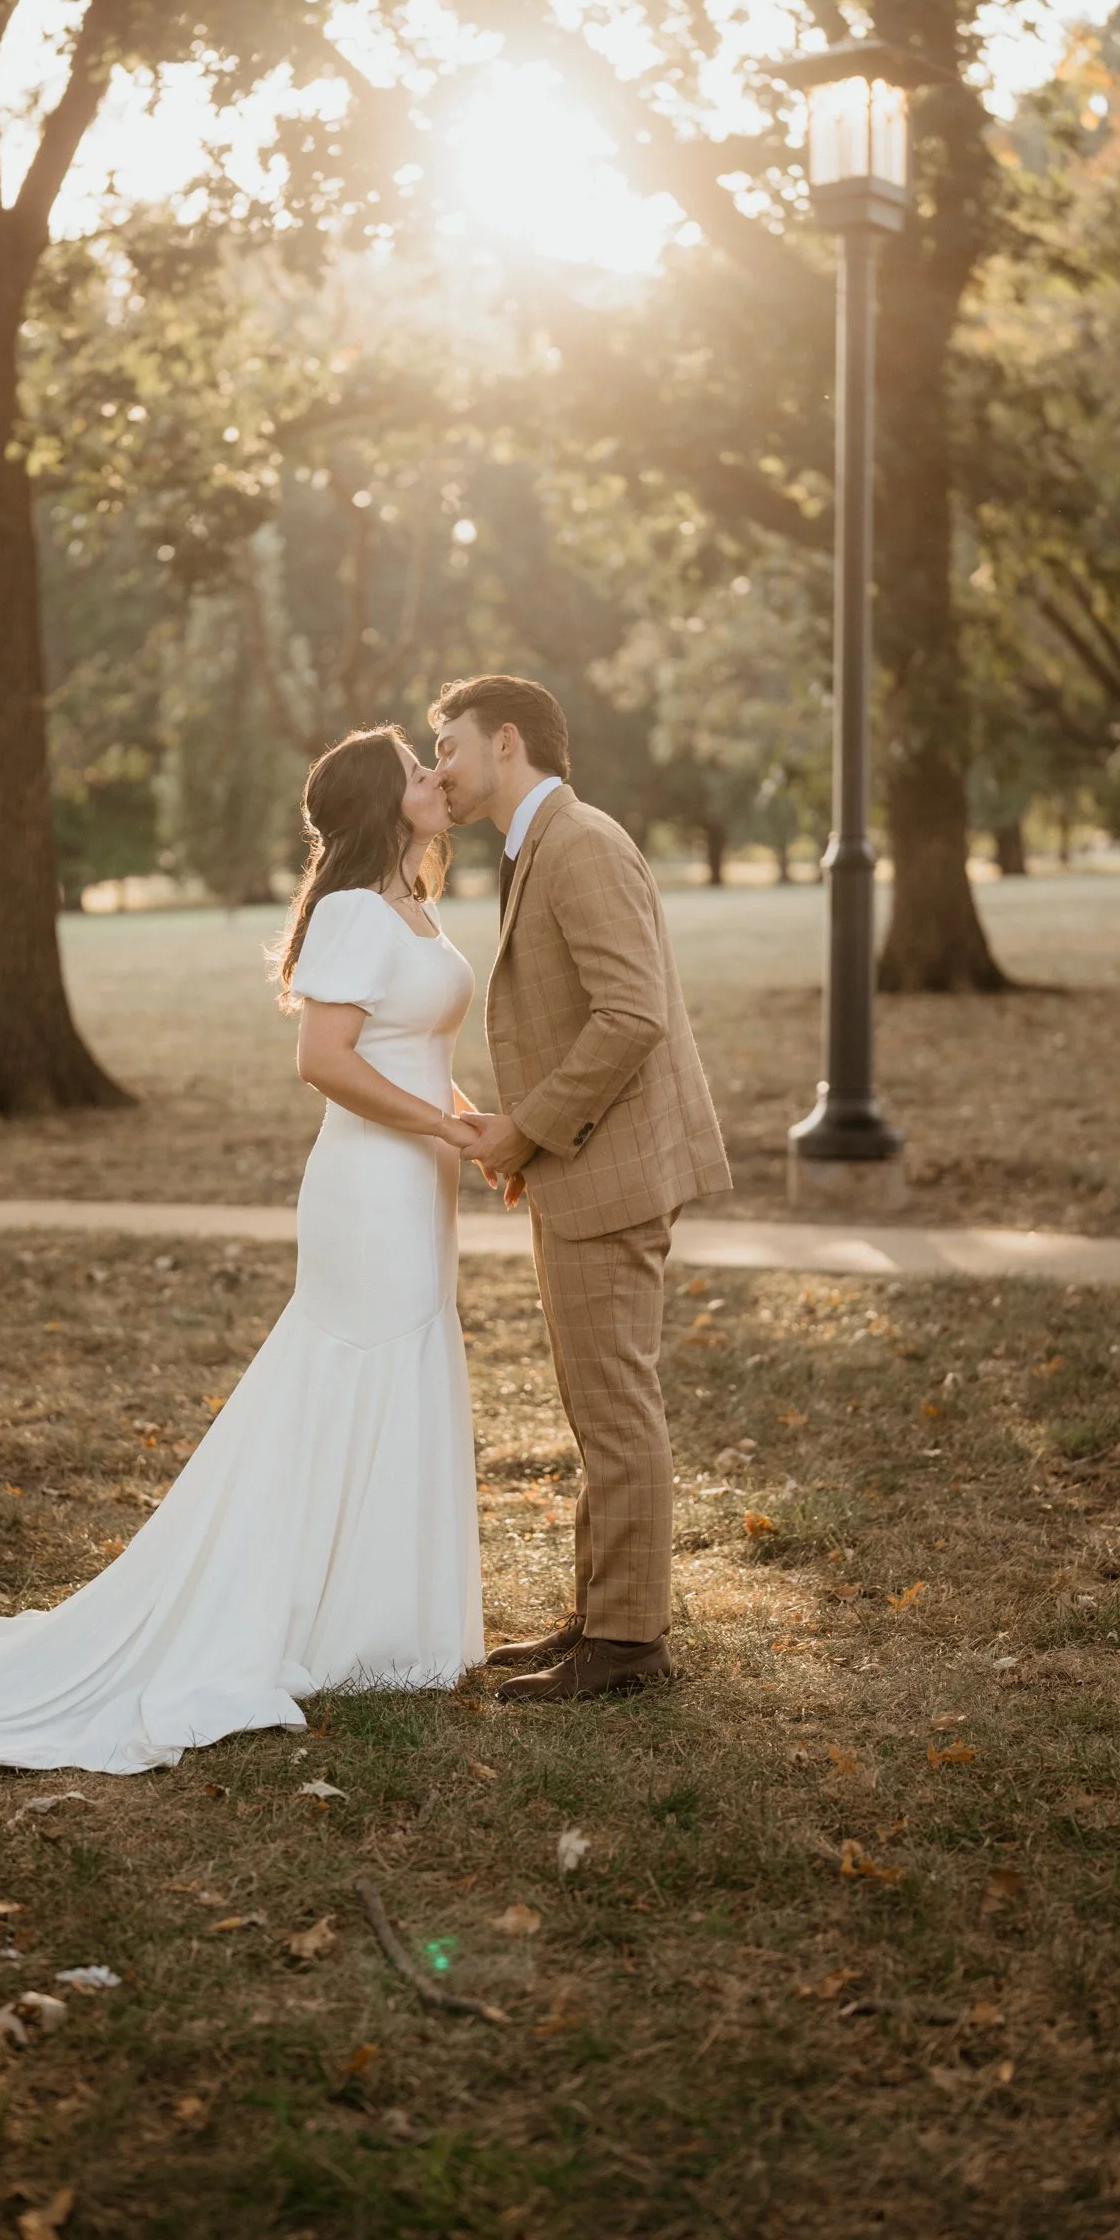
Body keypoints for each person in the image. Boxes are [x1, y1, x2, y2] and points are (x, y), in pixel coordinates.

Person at [0, 728, 487, 1773]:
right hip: (369, 1189)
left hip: (421, 1183)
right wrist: (442, 1128)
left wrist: (474, 1121)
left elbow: (412, 1053)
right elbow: (322, 1060)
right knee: (354, 1376)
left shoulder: (412, 905)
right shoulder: (357, 911)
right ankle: (327, 1625)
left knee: (405, 1370)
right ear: (378, 799)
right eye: (417, 769)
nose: (435, 779)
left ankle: (384, 1622)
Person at [432, 675, 731, 1703]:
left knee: (613, 1409)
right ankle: (599, 1616)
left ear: (505, 741)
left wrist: (528, 1129)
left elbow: (629, 1014)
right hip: (583, 1165)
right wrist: (534, 1147)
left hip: (614, 1170)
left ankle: (626, 1646)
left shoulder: (582, 841)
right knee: (596, 1403)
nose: (439, 770)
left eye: (450, 748)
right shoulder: (539, 844)